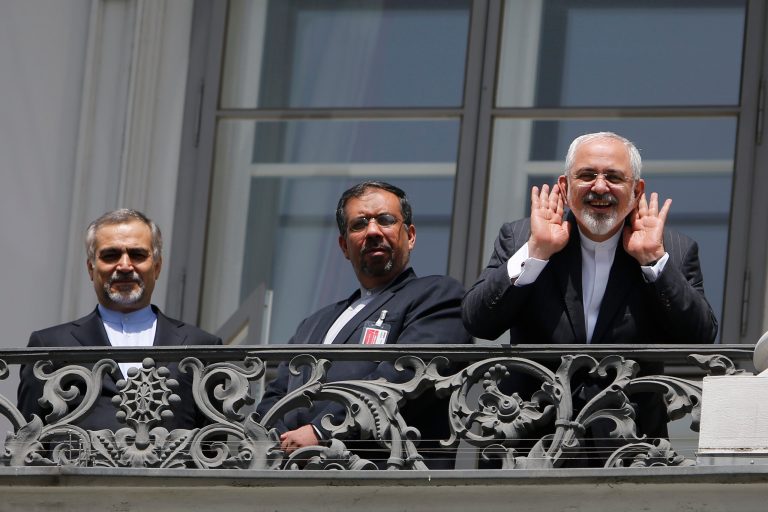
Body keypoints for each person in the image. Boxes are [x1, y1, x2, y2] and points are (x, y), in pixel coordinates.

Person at [462, 132, 718, 451]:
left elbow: (701, 338)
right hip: (532, 440)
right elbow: (478, 322)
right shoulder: (521, 238)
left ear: (636, 190)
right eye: (586, 175)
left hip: (631, 444)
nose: (599, 187)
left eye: (613, 177)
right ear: (565, 187)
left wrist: (653, 261)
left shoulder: (674, 250)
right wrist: (536, 252)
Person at [256, 181, 471, 468]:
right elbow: (276, 393)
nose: (372, 231)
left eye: (385, 220)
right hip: (293, 478)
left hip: (388, 475)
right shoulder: (314, 323)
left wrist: (321, 432)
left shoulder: (438, 296)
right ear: (344, 246)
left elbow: (406, 375)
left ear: (410, 236)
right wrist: (267, 442)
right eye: (359, 224)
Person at [17, 209, 222, 432]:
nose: (124, 266)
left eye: (137, 255)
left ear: (157, 267)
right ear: (90, 268)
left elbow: (215, 444)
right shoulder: (50, 345)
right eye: (110, 255)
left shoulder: (202, 346)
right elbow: (28, 442)